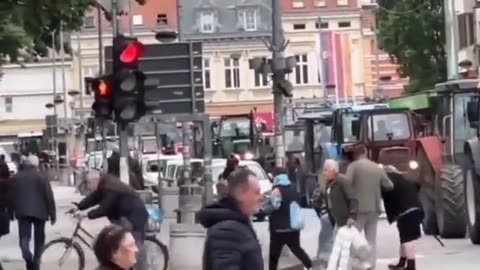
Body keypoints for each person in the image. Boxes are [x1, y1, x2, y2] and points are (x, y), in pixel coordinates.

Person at [76, 170, 148, 270]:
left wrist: (86, 215)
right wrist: (79, 206)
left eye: (88, 183)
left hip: (134, 216)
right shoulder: (103, 185)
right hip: (123, 215)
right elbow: (94, 197)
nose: (88, 186)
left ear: (95, 181)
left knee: (130, 249)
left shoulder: (110, 187)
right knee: (117, 244)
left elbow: (105, 207)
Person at [198, 168, 264, 270]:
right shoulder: (227, 231)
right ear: (241, 195)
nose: (261, 197)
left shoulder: (239, 224)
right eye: (256, 192)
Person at [345, 146, 394, 269]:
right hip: (374, 208)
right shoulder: (376, 167)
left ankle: (357, 264)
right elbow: (389, 185)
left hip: (357, 210)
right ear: (365, 153)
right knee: (371, 239)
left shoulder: (353, 166)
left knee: (353, 238)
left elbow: (346, 184)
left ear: (355, 154)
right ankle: (371, 265)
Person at [10, 155, 56, 270]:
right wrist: (52, 213)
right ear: (36, 165)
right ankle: (36, 262)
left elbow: (11, 197)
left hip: (23, 212)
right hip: (41, 212)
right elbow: (49, 196)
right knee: (39, 239)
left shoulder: (17, 177)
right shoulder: (42, 177)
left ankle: (28, 257)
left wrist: (11, 212)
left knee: (24, 239)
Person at [314, 159, 358, 267]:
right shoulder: (328, 183)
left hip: (345, 219)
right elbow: (325, 198)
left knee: (344, 248)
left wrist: (352, 215)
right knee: (338, 246)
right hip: (335, 219)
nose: (324, 173)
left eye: (326, 170)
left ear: (333, 170)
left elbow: (353, 198)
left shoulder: (342, 181)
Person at [269, 167, 312, 270]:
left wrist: (266, 207)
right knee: (296, 248)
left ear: (275, 176)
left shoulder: (277, 190)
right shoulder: (293, 187)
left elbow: (275, 206)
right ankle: (310, 266)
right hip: (294, 226)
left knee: (274, 255)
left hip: (279, 228)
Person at [382, 166, 424, 270]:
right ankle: (402, 262)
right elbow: (417, 185)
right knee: (404, 238)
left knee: (408, 239)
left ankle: (411, 266)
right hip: (416, 210)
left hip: (406, 212)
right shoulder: (405, 180)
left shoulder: (388, 182)